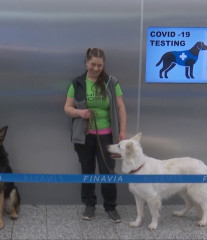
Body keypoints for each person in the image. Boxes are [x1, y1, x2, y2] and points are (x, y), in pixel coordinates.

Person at [64, 47, 127, 222]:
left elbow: (121, 107)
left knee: (107, 171)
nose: (96, 68)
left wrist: (122, 131)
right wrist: (80, 113)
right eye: (93, 64)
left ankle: (111, 207)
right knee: (87, 171)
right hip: (84, 136)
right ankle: (89, 205)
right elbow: (67, 108)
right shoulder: (77, 83)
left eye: (100, 65)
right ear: (86, 62)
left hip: (106, 136)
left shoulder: (111, 82)